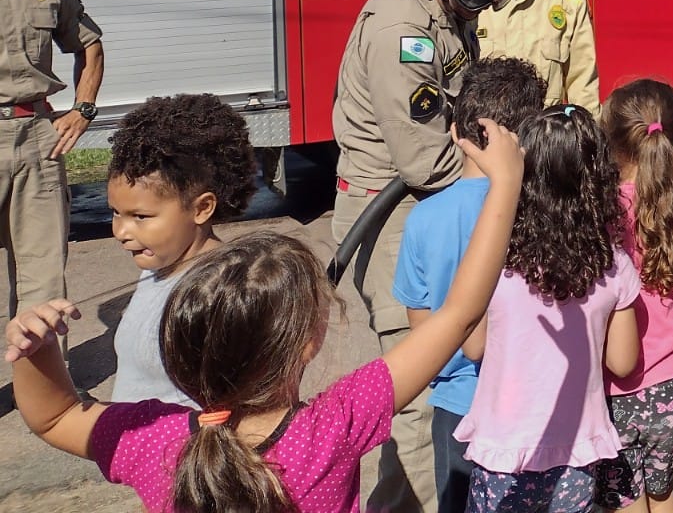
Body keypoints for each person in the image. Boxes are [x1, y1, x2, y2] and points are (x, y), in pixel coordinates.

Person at [3, 118, 525, 513]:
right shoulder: (329, 431)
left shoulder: (158, 443)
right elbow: (458, 315)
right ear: (306, 343)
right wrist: (504, 183)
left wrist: (35, 353)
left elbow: (55, 417)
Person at [332, 0, 541, 513]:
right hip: (395, 215)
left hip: (442, 201)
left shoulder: (448, 8)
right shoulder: (404, 31)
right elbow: (426, 160)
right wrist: (514, 182)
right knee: (423, 391)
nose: (486, 6)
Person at [454, 102, 642, 513]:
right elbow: (624, 361)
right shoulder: (615, 265)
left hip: (504, 448)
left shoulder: (498, 260)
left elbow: (473, 348)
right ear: (597, 178)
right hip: (578, 448)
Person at [393, 58, 548, 513]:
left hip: (457, 406)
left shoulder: (423, 219)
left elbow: (423, 329)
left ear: (459, 132)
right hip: (534, 400)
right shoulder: (545, 209)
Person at [107, 94, 259, 407]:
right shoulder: (157, 268)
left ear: (201, 208)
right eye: (115, 212)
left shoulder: (223, 293)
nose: (121, 232)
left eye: (140, 217)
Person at [602, 79, 673, 513]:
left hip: (615, 388)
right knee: (664, 493)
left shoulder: (600, 215)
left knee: (624, 499)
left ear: (608, 143)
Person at [0, 0, 105, 321]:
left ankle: (41, 389)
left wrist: (82, 110)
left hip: (37, 140)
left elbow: (90, 45)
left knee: (43, 276)